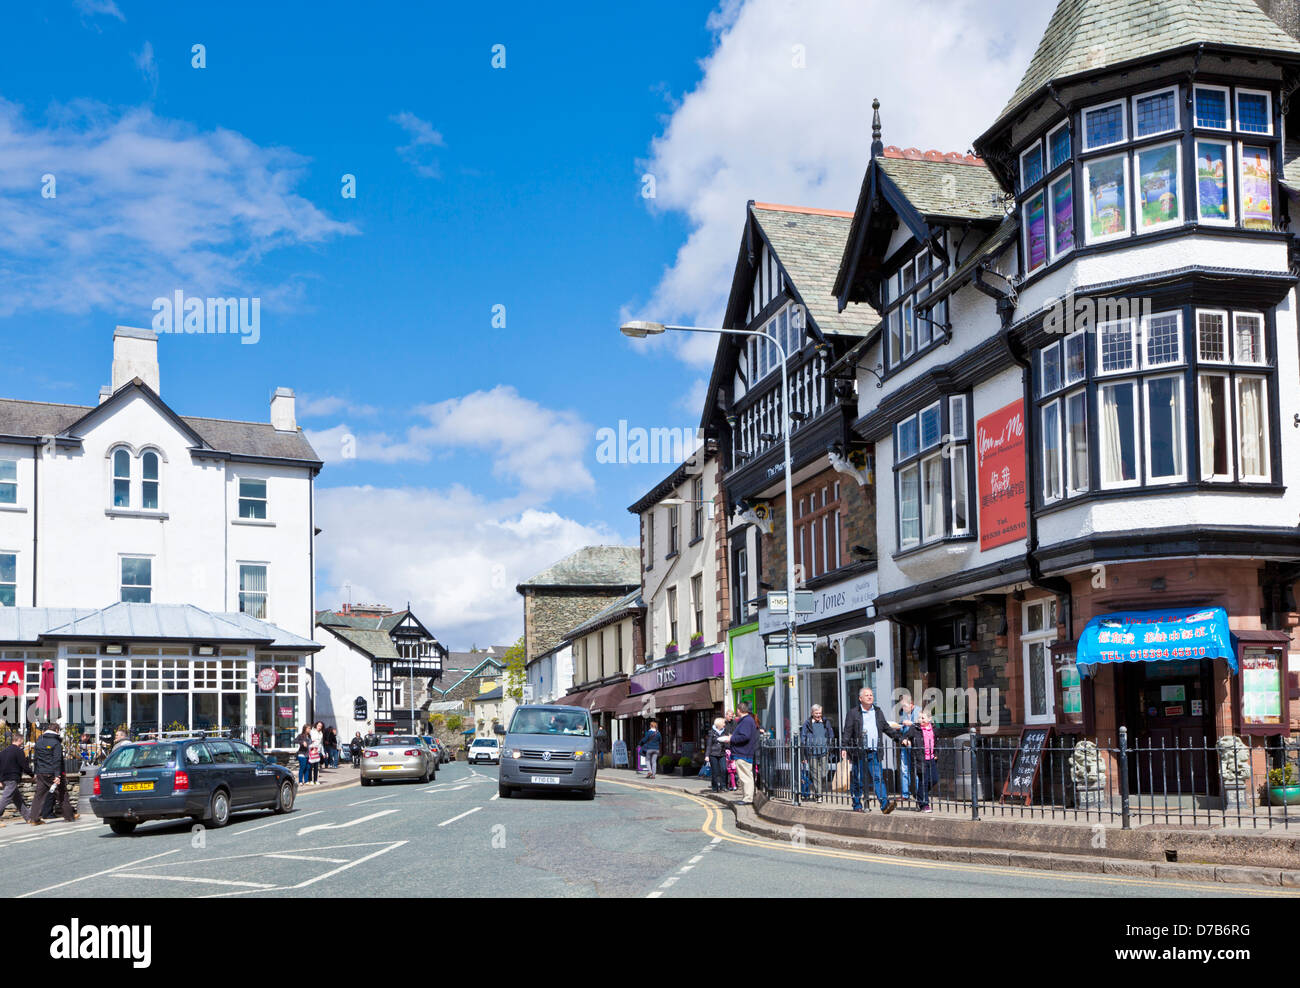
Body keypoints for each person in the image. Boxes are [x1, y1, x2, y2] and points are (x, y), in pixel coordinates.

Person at [840, 688, 908, 814]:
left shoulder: (877, 711)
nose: (870, 697)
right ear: (860, 698)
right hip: (859, 751)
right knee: (858, 778)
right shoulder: (853, 713)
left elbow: (886, 728)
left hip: (874, 751)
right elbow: (847, 731)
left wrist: (900, 739)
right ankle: (857, 804)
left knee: (878, 778)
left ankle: (885, 805)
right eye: (867, 695)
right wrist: (844, 747)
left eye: (871, 695)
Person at [29, 723, 77, 824]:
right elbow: (57, 760)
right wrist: (57, 775)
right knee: (62, 794)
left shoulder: (39, 742)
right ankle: (69, 816)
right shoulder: (56, 743)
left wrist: (36, 772)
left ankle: (34, 818)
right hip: (52, 773)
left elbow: (36, 759)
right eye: (58, 730)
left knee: (38, 796)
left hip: (41, 773)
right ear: (56, 730)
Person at [723, 701, 758, 805]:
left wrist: (731, 738)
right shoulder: (747, 720)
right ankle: (746, 797)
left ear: (739, 710)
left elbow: (744, 736)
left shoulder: (746, 721)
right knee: (745, 777)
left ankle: (748, 798)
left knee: (745, 777)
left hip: (743, 753)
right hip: (743, 752)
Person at [799, 704, 834, 801]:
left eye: (820, 713)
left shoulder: (826, 722)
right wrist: (803, 755)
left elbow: (831, 734)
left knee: (823, 773)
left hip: (823, 751)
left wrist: (829, 746)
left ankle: (817, 790)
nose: (819, 715)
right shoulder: (807, 723)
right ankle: (819, 795)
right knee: (815, 774)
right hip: (812, 752)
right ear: (812, 713)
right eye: (816, 713)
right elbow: (803, 738)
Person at [0, 734, 32, 824]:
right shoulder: (18, 751)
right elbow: (24, 766)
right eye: (22, 740)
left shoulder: (3, 752)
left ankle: (29, 817)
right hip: (12, 778)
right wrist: (32, 775)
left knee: (18, 799)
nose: (22, 742)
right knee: (5, 799)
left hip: (5, 778)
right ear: (20, 740)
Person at [894, 693, 920, 802]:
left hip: (915, 745)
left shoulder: (919, 711)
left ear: (912, 704)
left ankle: (919, 794)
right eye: (902, 706)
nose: (903, 708)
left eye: (905, 706)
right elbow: (902, 726)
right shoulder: (903, 713)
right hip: (905, 744)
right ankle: (905, 794)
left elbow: (923, 726)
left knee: (917, 770)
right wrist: (898, 727)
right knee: (904, 769)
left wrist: (912, 724)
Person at [915, 709, 938, 813]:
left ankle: (920, 795)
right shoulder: (915, 729)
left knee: (934, 779)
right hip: (921, 759)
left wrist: (936, 753)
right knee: (923, 781)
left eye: (923, 718)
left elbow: (937, 741)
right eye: (919, 718)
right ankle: (924, 804)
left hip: (931, 758)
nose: (920, 720)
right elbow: (906, 736)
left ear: (929, 719)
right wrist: (905, 740)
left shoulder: (934, 729)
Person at [705, 717, 727, 793]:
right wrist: (707, 755)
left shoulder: (725, 731)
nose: (724, 724)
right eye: (723, 723)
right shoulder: (711, 732)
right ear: (719, 724)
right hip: (713, 754)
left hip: (722, 753)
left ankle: (723, 786)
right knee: (715, 771)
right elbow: (709, 745)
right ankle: (715, 787)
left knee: (724, 769)